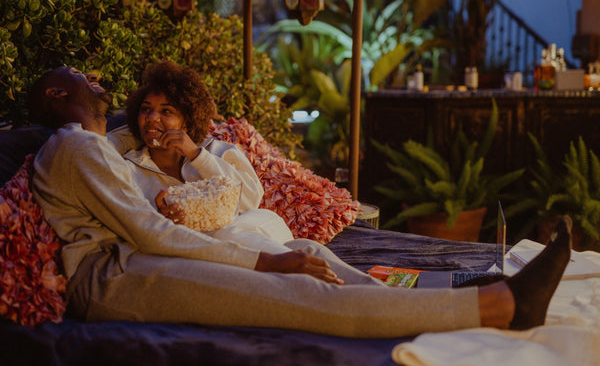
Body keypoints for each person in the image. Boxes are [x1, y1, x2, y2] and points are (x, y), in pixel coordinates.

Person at [28, 66, 572, 338]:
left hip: (140, 258)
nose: (95, 83)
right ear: (58, 96)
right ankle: (501, 307)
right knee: (297, 293)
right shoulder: (81, 146)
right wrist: (269, 258)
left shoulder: (95, 145)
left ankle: (474, 296)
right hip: (112, 277)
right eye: (81, 79)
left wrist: (190, 148)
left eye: (165, 110)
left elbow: (222, 198)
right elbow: (151, 229)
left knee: (306, 258)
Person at [110, 60, 293, 253]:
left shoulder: (219, 151)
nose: (152, 118)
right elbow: (137, 228)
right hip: (208, 254)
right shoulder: (129, 170)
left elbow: (249, 202)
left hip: (259, 235)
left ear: (187, 123)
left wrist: (197, 156)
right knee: (226, 239)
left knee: (234, 233)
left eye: (166, 111)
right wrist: (162, 218)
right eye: (146, 109)